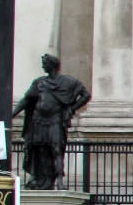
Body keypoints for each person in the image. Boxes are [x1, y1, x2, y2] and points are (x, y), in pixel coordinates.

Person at [10, 53, 90, 190]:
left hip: (55, 121)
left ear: (51, 65)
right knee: (41, 150)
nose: (42, 66)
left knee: (56, 149)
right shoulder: (39, 82)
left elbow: (86, 95)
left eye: (44, 64)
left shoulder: (69, 82)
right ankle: (42, 180)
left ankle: (59, 180)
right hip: (39, 121)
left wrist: (71, 109)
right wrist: (11, 115)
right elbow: (26, 100)